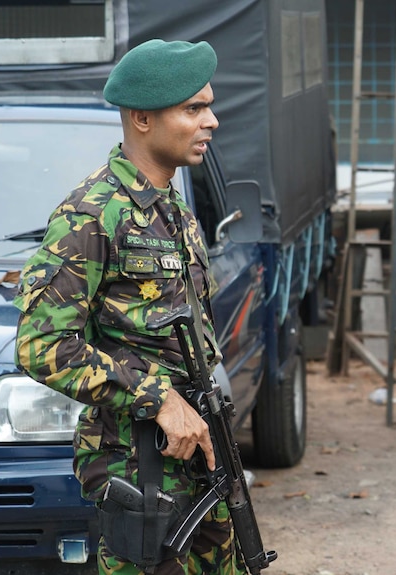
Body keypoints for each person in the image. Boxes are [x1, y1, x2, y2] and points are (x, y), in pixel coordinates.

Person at [15, 39, 244, 575]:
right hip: (137, 462)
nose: (211, 121)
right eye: (193, 109)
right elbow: (40, 344)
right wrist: (156, 397)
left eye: (208, 105)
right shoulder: (91, 215)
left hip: (199, 454)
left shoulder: (173, 209)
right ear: (142, 118)